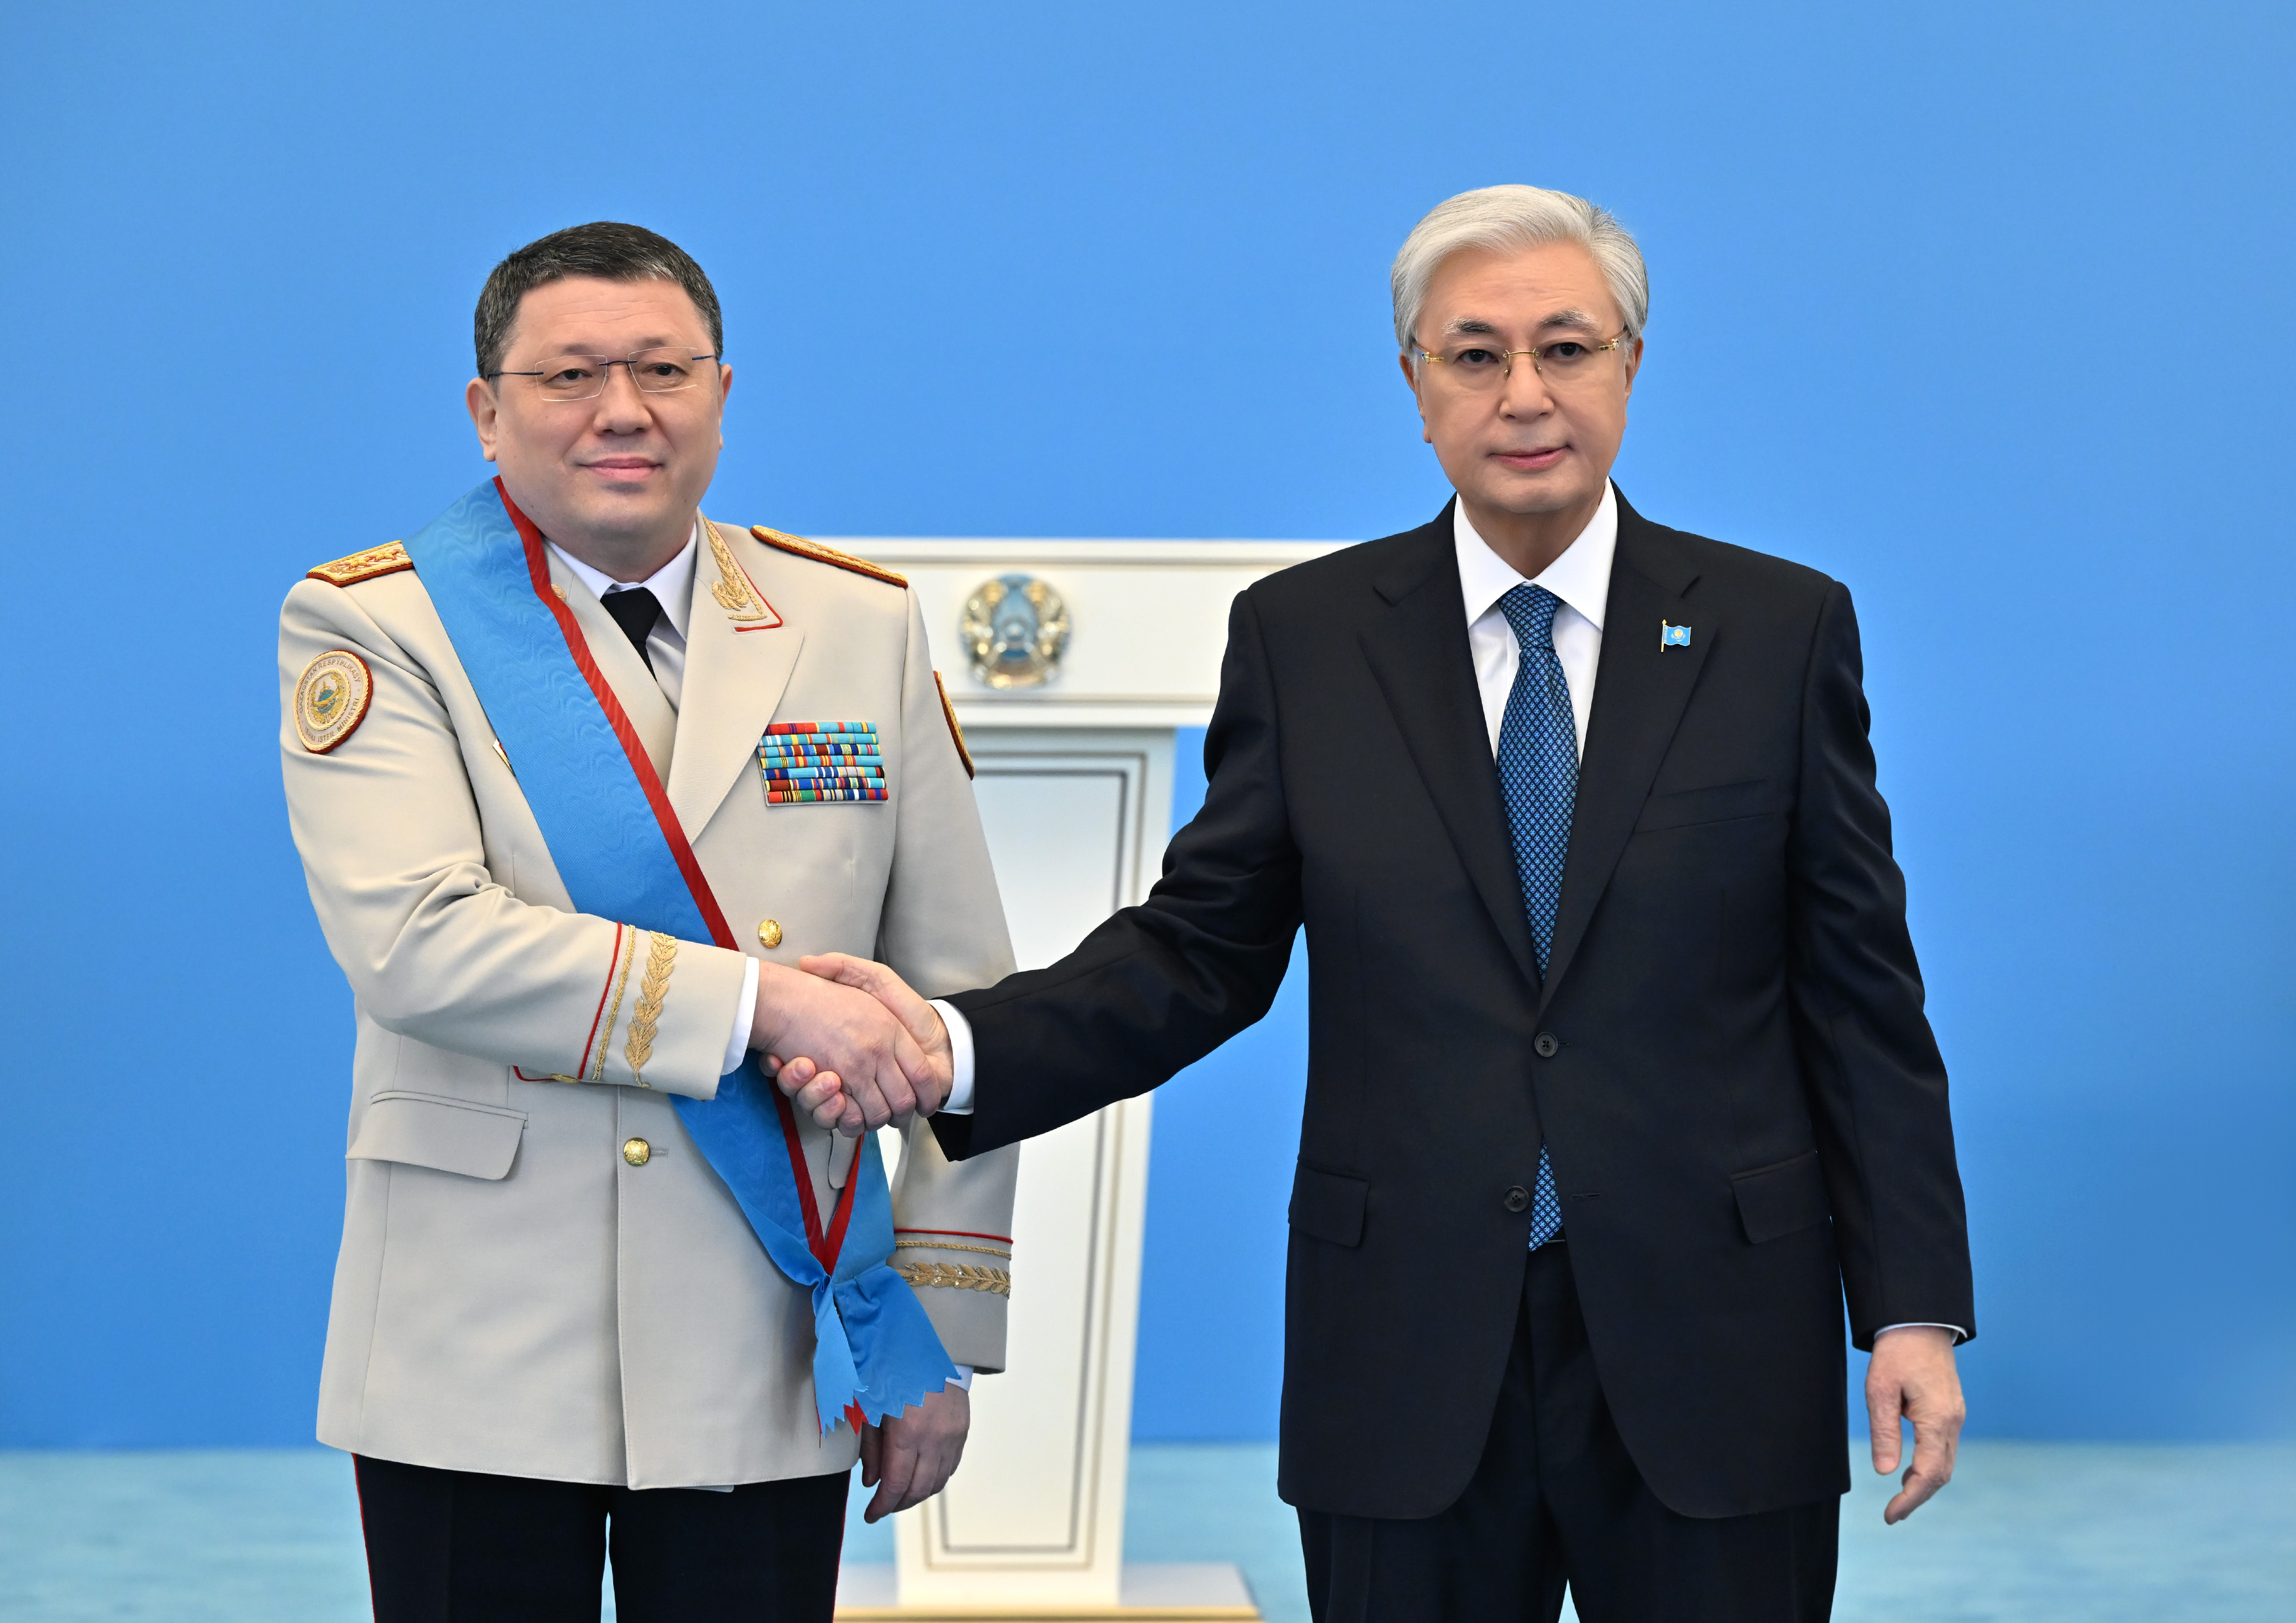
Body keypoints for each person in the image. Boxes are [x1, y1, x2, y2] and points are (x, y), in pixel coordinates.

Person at [791, 186, 1975, 1621]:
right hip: (1405, 1345)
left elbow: (1857, 996)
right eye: (1474, 355)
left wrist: (1910, 1305)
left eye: (1566, 348)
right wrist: (955, 1046)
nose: (1523, 394)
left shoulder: (1776, 629)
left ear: (1630, 363)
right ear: (1414, 382)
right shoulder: (1306, 639)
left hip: (1713, 1340)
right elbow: (1199, 950)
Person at [277, 221, 1016, 1622]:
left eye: (663, 370)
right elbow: (417, 942)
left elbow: (960, 999)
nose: (623, 409)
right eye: (570, 375)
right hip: (478, 1339)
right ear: (487, 411)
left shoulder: (852, 623)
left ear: (721, 396)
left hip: (772, 1329)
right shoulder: (379, 625)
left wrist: (933, 1318)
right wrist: (766, 1003)